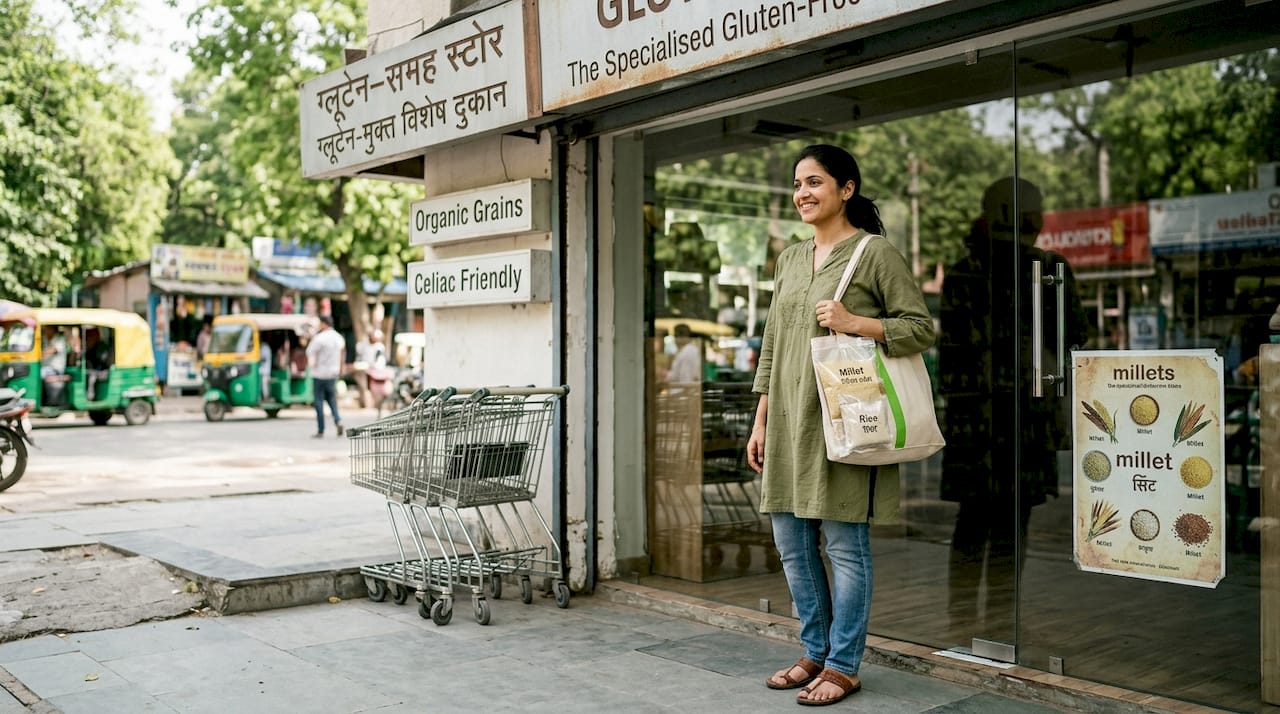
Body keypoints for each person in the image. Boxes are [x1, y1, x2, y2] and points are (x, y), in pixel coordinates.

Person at [746, 144, 935, 706]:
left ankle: (844, 664)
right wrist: (760, 422)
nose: (803, 193)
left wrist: (857, 322)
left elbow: (919, 329)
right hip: (786, 422)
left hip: (845, 423)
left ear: (846, 189)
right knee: (791, 544)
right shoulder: (788, 258)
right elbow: (773, 346)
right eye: (798, 184)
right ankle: (815, 651)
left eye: (815, 182)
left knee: (846, 547)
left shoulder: (875, 254)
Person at [938, 177, 1088, 643]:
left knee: (972, 523)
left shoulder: (965, 272)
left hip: (975, 420)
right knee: (1009, 526)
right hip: (1024, 418)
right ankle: (1000, 623)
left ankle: (964, 623)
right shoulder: (1049, 269)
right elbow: (1075, 336)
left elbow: (950, 352)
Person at [306, 314, 345, 438]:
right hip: (333, 373)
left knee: (318, 402)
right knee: (332, 400)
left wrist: (311, 365)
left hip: (319, 374)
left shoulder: (319, 338)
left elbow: (310, 353)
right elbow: (342, 354)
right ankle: (338, 420)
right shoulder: (339, 338)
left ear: (323, 324)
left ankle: (321, 429)